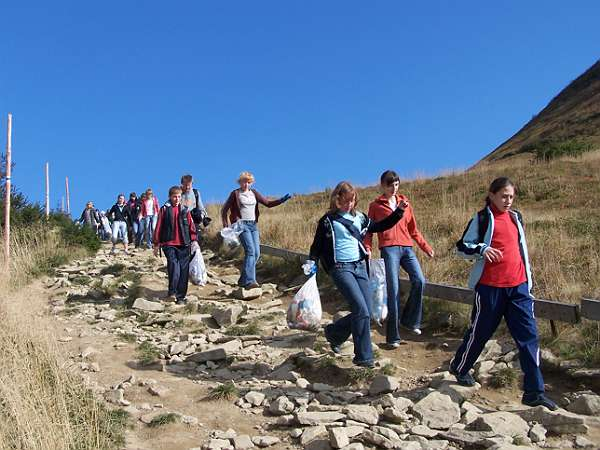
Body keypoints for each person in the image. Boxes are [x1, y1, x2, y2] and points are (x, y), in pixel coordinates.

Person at [449, 177, 557, 410]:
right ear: (492, 195)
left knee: (529, 338)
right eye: (503, 196)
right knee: (480, 333)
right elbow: (461, 247)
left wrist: (528, 283)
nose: (508, 201)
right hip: (490, 288)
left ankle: (534, 392)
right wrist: (483, 249)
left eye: (511, 196)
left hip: (518, 287)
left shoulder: (516, 217)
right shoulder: (481, 219)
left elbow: (521, 250)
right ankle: (459, 367)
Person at [307, 181, 407, 368]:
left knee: (367, 311)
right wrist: (311, 262)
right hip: (340, 267)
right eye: (345, 201)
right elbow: (317, 246)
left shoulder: (360, 217)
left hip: (360, 266)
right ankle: (364, 357)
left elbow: (380, 226)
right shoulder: (327, 220)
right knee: (360, 309)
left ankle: (334, 333)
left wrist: (398, 212)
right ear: (337, 199)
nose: (349, 205)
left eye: (352, 201)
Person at [364, 170, 434, 346]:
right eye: (390, 185)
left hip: (407, 249)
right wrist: (367, 247)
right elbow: (369, 230)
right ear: (383, 186)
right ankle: (393, 337)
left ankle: (410, 321)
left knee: (419, 281)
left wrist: (426, 247)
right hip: (389, 249)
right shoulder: (375, 206)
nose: (393, 188)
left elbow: (413, 230)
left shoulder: (406, 204)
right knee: (393, 290)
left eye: (396, 184)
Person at [221, 171, 291, 288]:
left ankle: (243, 280)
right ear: (240, 182)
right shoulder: (235, 193)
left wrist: (281, 200)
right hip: (241, 225)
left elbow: (267, 203)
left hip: (253, 225)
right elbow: (224, 210)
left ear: (251, 183)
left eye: (248, 182)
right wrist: (226, 226)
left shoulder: (254, 193)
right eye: (244, 182)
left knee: (257, 253)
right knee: (251, 252)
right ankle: (250, 281)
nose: (246, 184)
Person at [153, 186, 197, 305]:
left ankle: (181, 297)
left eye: (178, 197)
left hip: (184, 244)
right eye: (174, 197)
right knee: (174, 266)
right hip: (168, 243)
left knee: (184, 270)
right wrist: (156, 244)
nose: (177, 199)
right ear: (170, 197)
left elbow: (191, 226)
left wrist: (194, 241)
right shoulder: (164, 209)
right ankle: (172, 292)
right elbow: (159, 226)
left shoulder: (185, 209)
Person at [180, 174, 211, 240]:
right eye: (185, 185)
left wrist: (204, 218)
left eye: (189, 185)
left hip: (194, 222)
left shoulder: (195, 193)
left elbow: (201, 207)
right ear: (182, 184)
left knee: (196, 240)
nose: (188, 187)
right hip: (181, 223)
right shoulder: (177, 194)